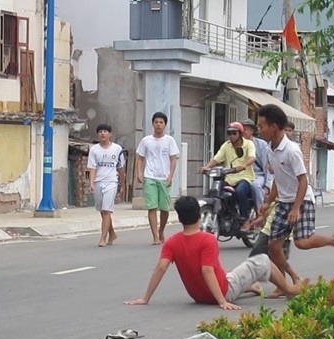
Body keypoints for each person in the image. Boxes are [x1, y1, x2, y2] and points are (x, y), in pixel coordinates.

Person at [123, 196, 304, 310]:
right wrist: (222, 302)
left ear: (179, 218)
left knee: (231, 275)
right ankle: (290, 289)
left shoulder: (172, 241)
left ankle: (252, 286)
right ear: (199, 216)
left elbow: (161, 268)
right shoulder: (207, 239)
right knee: (262, 260)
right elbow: (207, 271)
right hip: (221, 291)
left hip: (198, 295)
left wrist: (145, 298)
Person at [257, 104, 334, 294]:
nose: (260, 130)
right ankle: (289, 281)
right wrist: (267, 202)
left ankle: (333, 240)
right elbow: (278, 180)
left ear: (273, 126)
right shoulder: (270, 148)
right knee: (273, 246)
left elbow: (303, 180)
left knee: (301, 242)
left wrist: (296, 208)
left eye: (261, 126)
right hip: (284, 201)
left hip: (302, 199)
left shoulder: (291, 150)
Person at [201, 122, 256, 232]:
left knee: (240, 191)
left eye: (234, 133)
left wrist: (243, 165)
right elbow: (217, 159)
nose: (231, 136)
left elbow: (252, 157)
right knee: (217, 192)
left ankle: (245, 219)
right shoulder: (226, 145)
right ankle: (226, 214)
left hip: (245, 177)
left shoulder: (249, 144)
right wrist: (206, 167)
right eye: (229, 133)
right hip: (229, 178)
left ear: (240, 134)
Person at [136, 112, 181, 245]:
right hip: (150, 176)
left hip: (164, 178)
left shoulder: (169, 141)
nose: (158, 125)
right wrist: (139, 173)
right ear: (153, 124)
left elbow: (173, 160)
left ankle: (161, 230)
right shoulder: (146, 140)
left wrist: (170, 176)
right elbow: (140, 158)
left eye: (161, 122)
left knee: (165, 209)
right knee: (152, 207)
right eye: (156, 122)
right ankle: (155, 236)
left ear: (165, 125)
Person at [87, 123, 126, 247]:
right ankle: (112, 233)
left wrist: (122, 184)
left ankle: (103, 238)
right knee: (101, 210)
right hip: (99, 182)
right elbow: (92, 167)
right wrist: (92, 183)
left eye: (105, 131)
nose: (102, 133)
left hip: (111, 182)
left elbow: (121, 168)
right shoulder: (94, 150)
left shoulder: (117, 149)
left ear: (110, 134)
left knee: (106, 211)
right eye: (100, 132)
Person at [240, 118, 273, 213]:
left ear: (252, 131)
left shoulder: (261, 144)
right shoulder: (237, 144)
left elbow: (266, 164)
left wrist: (267, 186)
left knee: (255, 186)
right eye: (242, 129)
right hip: (242, 175)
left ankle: (260, 212)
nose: (244, 131)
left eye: (246, 129)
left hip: (257, 174)